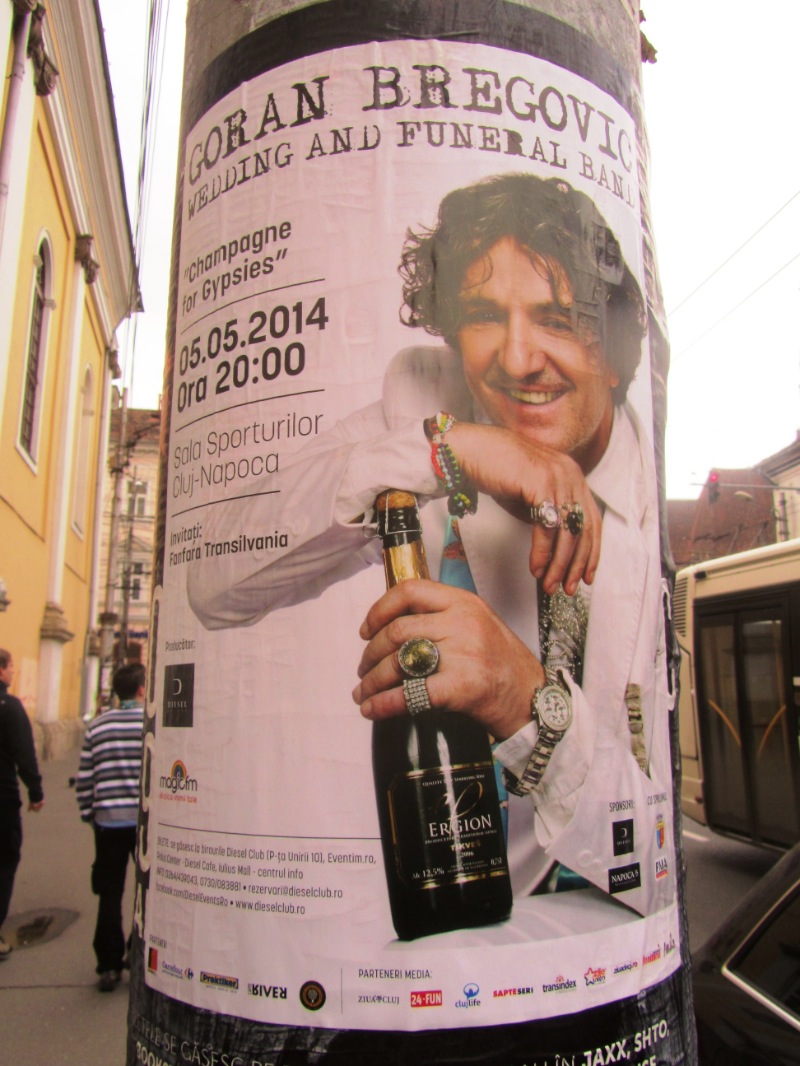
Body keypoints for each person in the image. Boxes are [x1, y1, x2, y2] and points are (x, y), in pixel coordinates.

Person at [188, 174, 674, 917]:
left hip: (590, 928)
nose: (518, 359)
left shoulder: (646, 496)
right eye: (483, 316)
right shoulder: (427, 401)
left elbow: (656, 864)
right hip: (440, 919)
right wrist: (445, 449)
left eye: (557, 319)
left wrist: (525, 701)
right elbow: (214, 583)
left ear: (613, 350)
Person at [76, 662, 144, 991]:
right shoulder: (150, 724)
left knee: (110, 892)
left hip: (108, 823)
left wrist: (90, 814)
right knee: (148, 892)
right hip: (143, 825)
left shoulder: (98, 727)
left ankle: (108, 964)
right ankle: (136, 950)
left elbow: (85, 778)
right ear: (142, 690)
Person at [0, 649, 44, 959]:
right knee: (5, 860)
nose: (13, 672)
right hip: (2, 798)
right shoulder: (11, 708)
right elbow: (24, 754)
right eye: (11, 667)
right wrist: (35, 791)